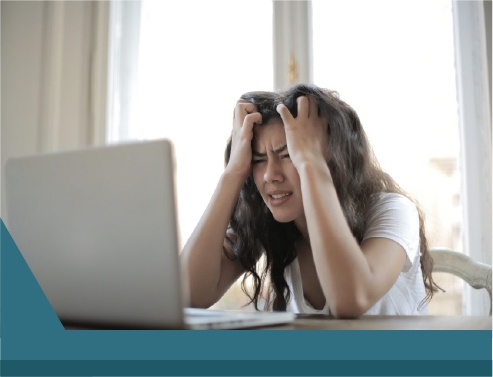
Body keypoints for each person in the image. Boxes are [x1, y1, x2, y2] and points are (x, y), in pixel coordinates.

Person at [180, 84, 440, 317]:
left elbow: (351, 300)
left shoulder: (393, 210)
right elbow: (188, 295)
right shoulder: (270, 222)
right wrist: (233, 173)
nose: (270, 175)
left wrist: (310, 163)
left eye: (289, 155)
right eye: (258, 160)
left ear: (332, 158)